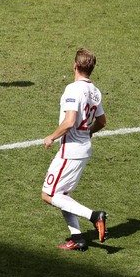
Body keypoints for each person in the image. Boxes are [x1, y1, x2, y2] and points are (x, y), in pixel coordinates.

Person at [41, 48, 108, 251]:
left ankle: (94, 215)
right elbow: (102, 121)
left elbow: (69, 121)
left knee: (48, 194)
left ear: (75, 66)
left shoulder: (73, 89)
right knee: (63, 195)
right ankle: (77, 238)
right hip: (84, 149)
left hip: (70, 151)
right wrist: (88, 133)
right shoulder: (95, 91)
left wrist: (52, 136)